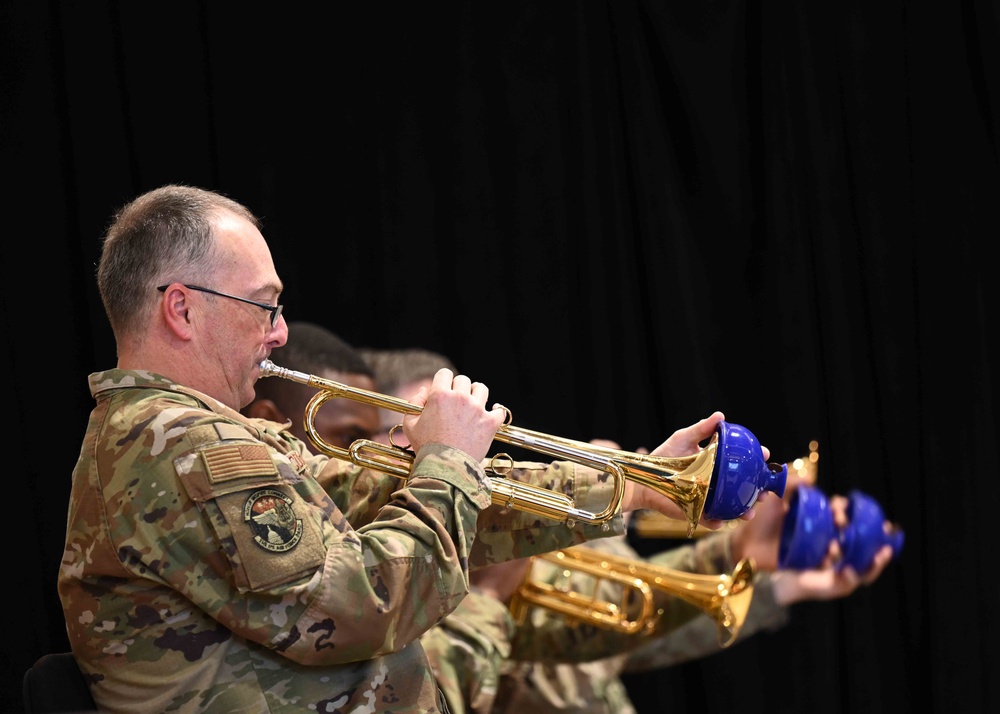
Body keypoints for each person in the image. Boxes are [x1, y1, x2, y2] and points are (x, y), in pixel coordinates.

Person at [58, 184, 757, 713]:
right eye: (264, 305)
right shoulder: (177, 445)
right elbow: (350, 610)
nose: (278, 333)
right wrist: (448, 464)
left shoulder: (201, 435)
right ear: (182, 309)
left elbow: (377, 495)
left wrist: (632, 484)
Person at [360, 346, 896, 714]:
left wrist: (760, 568)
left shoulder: (472, 524)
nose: (435, 454)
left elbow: (622, 633)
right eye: (407, 430)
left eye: (439, 432)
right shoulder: (369, 566)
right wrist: (491, 601)